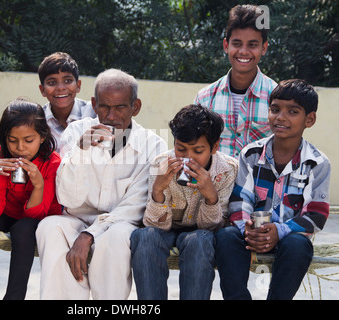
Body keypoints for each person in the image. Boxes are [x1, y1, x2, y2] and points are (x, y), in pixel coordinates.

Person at [36, 68, 167, 300]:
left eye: (120, 107)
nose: (111, 116)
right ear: (94, 104)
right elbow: (66, 198)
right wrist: (82, 151)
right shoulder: (77, 132)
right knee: (49, 227)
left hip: (120, 222)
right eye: (105, 106)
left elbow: (135, 206)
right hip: (76, 218)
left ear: (135, 107)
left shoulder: (152, 145)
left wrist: (90, 235)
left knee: (116, 237)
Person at [215, 79, 331, 300]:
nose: (281, 117)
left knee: (299, 245)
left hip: (288, 239)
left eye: (292, 111)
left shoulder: (317, 163)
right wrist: (246, 228)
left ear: (310, 119)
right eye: (275, 109)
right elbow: (240, 199)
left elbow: (316, 215)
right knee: (226, 236)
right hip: (250, 236)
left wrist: (280, 231)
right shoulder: (250, 154)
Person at [130, 104, 238, 300]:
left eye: (198, 151)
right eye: (181, 149)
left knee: (200, 240)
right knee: (144, 237)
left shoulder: (226, 170)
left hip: (201, 233)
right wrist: (158, 190)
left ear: (214, 147)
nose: (188, 157)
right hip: (166, 229)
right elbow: (155, 226)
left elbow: (213, 227)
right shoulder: (161, 165)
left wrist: (210, 196)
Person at [0, 98, 62, 300]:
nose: (20, 148)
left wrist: (38, 184)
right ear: (4, 137)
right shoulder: (0, 155)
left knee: (23, 229)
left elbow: (35, 213)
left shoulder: (52, 162)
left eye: (29, 140)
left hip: (34, 218)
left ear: (43, 136)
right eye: (12, 140)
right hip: (6, 212)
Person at [194, 4, 277, 158]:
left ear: (264, 48)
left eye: (252, 45)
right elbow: (195, 148)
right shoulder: (205, 98)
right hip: (213, 182)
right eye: (237, 44)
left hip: (258, 182)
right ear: (226, 45)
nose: (244, 51)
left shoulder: (277, 98)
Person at [38, 52, 96, 153]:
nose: (61, 88)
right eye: (52, 82)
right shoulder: (37, 120)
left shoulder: (95, 113)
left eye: (68, 81)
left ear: (78, 85)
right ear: (42, 90)